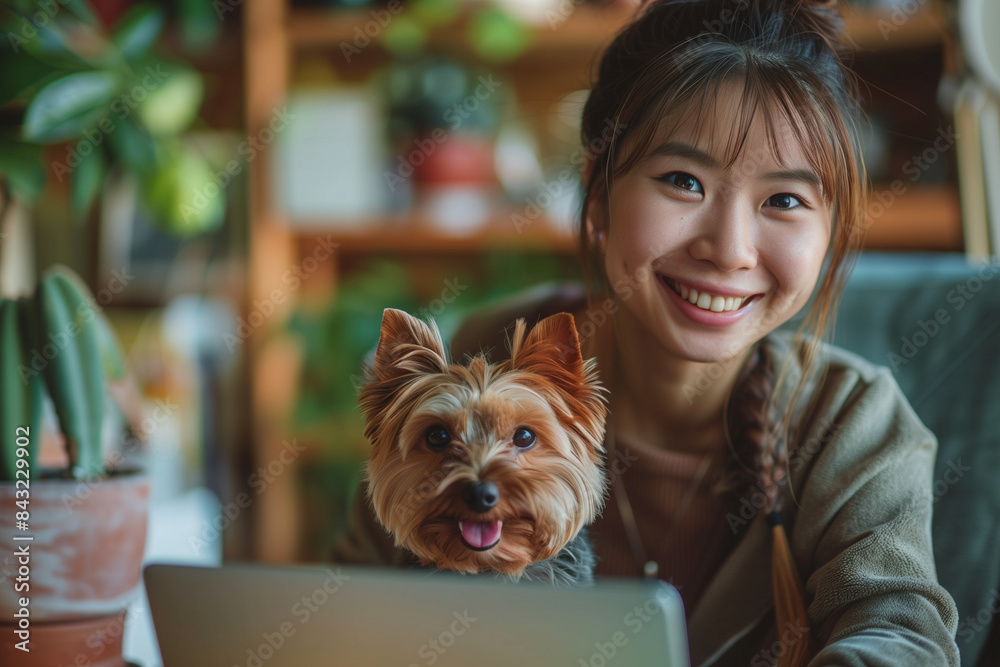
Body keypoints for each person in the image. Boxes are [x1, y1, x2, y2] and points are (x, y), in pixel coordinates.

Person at [330, 0, 960, 664]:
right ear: (597, 195)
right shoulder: (471, 368)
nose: (730, 249)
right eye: (683, 181)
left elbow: (901, 636)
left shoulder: (853, 425)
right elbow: (352, 611)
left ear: (831, 229)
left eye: (784, 199)